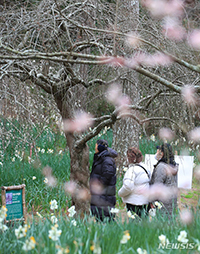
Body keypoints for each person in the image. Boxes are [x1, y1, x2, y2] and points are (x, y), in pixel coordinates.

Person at [89, 139, 118, 222]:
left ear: (99, 147)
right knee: (101, 219)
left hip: (104, 197)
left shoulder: (107, 160)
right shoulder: (101, 158)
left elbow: (107, 175)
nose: (94, 148)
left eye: (96, 145)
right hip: (101, 196)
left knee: (106, 220)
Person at [118, 147, 151, 218]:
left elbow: (128, 186)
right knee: (144, 224)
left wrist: (120, 193)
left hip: (134, 203)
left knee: (134, 224)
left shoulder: (131, 171)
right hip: (145, 201)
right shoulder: (146, 168)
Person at [150, 143, 178, 217]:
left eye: (158, 151)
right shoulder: (173, 165)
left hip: (162, 203)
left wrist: (152, 201)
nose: (157, 153)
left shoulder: (161, 167)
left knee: (162, 223)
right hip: (172, 201)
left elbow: (157, 186)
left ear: (162, 153)